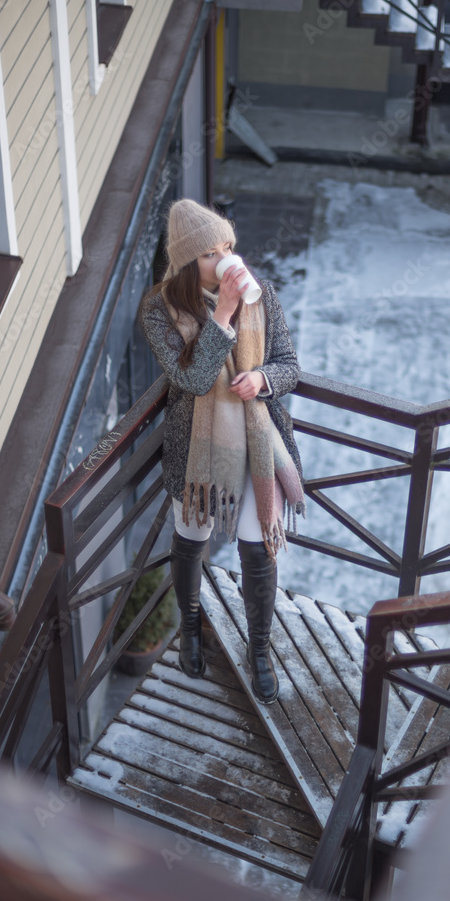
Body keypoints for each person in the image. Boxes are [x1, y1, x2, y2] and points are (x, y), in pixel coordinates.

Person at [140, 198, 305, 705]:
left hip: (257, 444)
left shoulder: (265, 296)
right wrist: (226, 312)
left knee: (258, 548)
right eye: (212, 253)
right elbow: (189, 377)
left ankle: (259, 649)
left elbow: (289, 365)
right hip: (196, 454)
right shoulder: (159, 309)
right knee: (191, 537)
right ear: (190, 263)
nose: (227, 260)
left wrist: (263, 379)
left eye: (228, 247)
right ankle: (189, 626)